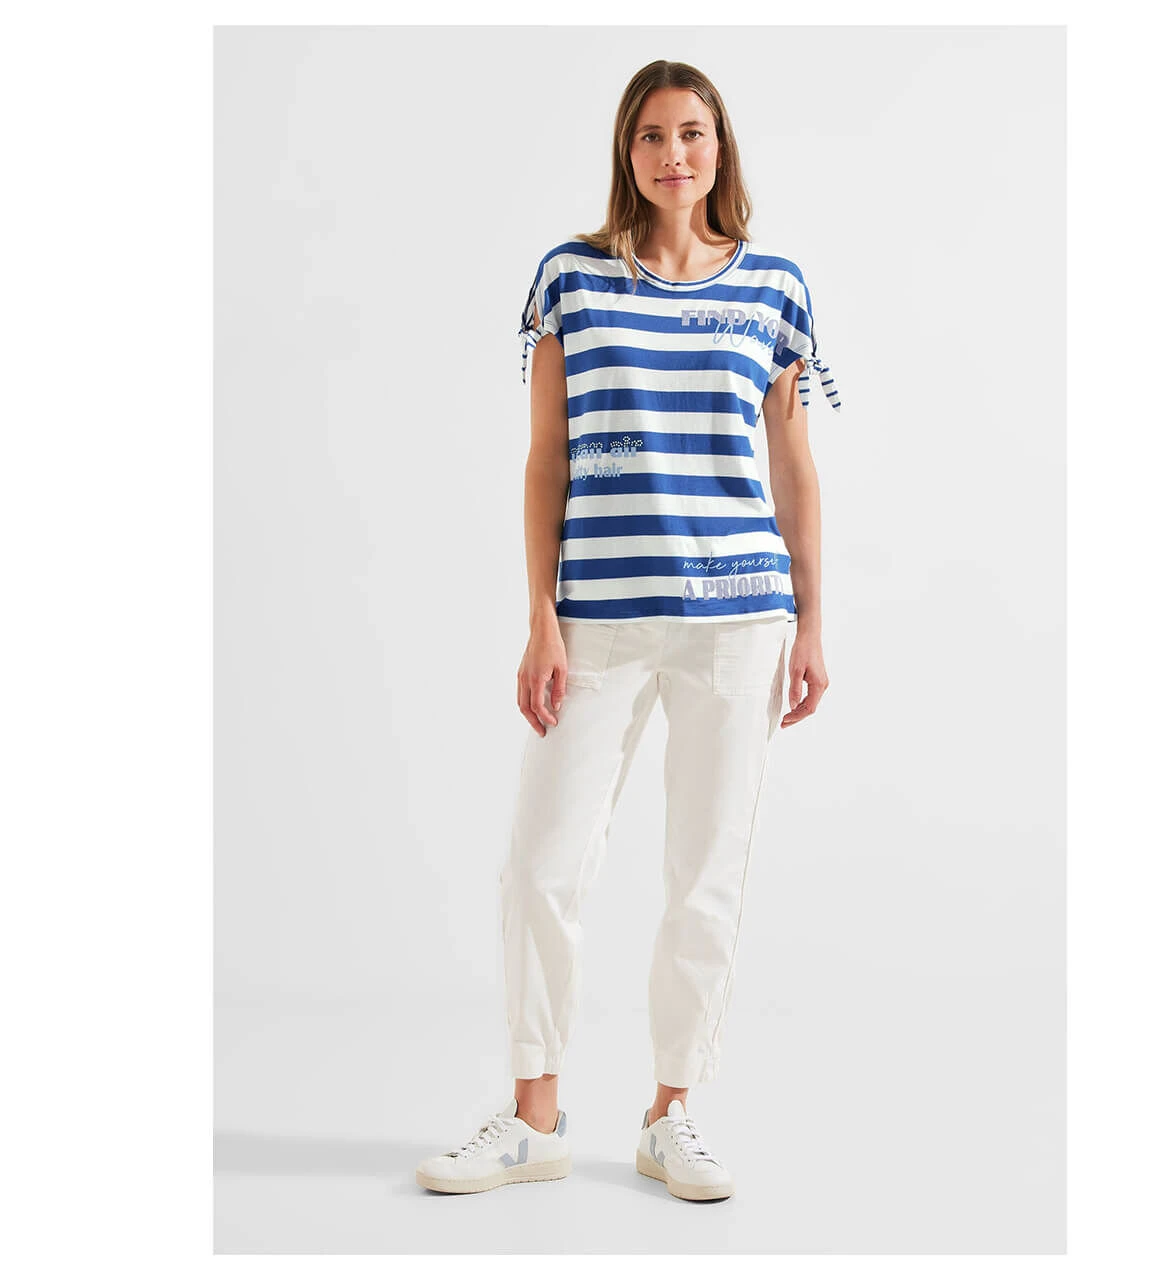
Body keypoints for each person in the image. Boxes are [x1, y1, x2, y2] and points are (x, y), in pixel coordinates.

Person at [416, 58, 839, 1202]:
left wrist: (809, 620)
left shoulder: (774, 286)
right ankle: (533, 1116)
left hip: (737, 619)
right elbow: (544, 458)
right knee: (540, 864)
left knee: (706, 870)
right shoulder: (571, 279)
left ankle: (671, 1111)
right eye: (650, 135)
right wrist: (539, 616)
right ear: (626, 150)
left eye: (690, 132)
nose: (672, 154)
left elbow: (793, 467)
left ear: (718, 146)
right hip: (595, 619)